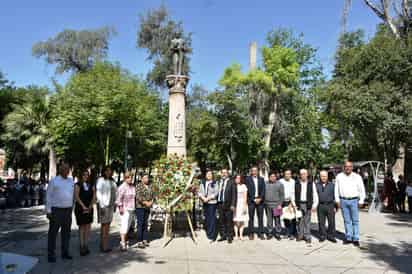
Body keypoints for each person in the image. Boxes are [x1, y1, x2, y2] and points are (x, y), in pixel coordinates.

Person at [46, 163, 75, 263]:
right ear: (60, 170)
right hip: (56, 210)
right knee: (53, 233)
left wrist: (72, 207)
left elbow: (72, 195)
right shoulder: (54, 181)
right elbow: (48, 196)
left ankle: (65, 253)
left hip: (68, 210)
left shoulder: (71, 181)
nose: (67, 171)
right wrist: (48, 211)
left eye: (68, 169)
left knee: (66, 233)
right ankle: (51, 254)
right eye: (65, 169)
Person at [335, 160, 366, 247]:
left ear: (352, 167)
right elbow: (336, 189)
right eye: (346, 166)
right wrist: (337, 200)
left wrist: (361, 200)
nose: (348, 168)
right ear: (344, 167)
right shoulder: (339, 176)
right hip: (343, 200)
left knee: (355, 220)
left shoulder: (357, 177)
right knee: (347, 220)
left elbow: (362, 189)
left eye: (349, 166)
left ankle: (356, 238)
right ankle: (348, 237)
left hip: (354, 200)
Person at [96, 165, 117, 253]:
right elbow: (98, 193)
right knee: (104, 226)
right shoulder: (101, 180)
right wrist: (102, 205)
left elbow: (115, 192)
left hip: (111, 205)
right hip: (104, 206)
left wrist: (115, 203)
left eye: (110, 170)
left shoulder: (112, 180)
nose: (109, 172)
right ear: (104, 171)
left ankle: (103, 244)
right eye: (107, 170)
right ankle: (104, 246)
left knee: (107, 225)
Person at [74, 170, 95, 256]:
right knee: (82, 227)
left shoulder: (91, 185)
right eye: (84, 175)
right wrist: (83, 206)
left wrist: (90, 206)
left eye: (87, 175)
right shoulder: (77, 185)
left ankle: (86, 245)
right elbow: (76, 197)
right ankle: (81, 246)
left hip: (89, 208)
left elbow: (94, 196)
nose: (86, 176)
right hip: (80, 208)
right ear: (81, 176)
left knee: (88, 227)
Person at [295, 169, 318, 244]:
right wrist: (294, 204)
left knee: (307, 221)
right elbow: (293, 193)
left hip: (308, 204)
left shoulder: (311, 183)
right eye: (301, 174)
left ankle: (307, 236)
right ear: (300, 175)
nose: (303, 175)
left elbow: (315, 194)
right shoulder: (297, 183)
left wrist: (314, 205)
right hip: (299, 204)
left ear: (307, 174)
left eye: (304, 174)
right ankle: (300, 235)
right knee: (300, 221)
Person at [116, 172, 136, 251]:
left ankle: (124, 240)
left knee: (128, 225)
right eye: (128, 177)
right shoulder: (122, 187)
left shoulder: (132, 187)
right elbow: (118, 198)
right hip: (125, 208)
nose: (130, 179)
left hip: (131, 208)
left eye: (131, 177)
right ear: (125, 178)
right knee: (124, 225)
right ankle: (123, 243)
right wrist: (120, 207)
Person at [316, 170, 337, 243]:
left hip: (330, 205)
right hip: (320, 205)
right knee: (321, 222)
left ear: (327, 176)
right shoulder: (316, 185)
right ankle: (322, 236)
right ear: (320, 177)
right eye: (322, 176)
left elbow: (335, 196)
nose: (323, 178)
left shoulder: (332, 185)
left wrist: (335, 207)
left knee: (331, 222)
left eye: (325, 176)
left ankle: (331, 236)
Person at [217, 169, 237, 244]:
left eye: (225, 173)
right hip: (220, 204)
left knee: (229, 221)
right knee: (221, 221)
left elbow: (234, 194)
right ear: (221, 174)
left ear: (228, 174)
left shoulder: (231, 182)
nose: (224, 174)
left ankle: (230, 236)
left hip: (229, 205)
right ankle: (223, 235)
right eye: (222, 173)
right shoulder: (219, 182)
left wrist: (233, 205)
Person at [245, 166, 265, 240]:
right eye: (253, 171)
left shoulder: (261, 179)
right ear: (251, 171)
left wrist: (260, 198)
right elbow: (247, 190)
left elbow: (263, 190)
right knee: (251, 218)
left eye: (256, 170)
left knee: (260, 218)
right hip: (251, 201)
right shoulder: (247, 179)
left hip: (260, 201)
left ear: (258, 171)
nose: (254, 172)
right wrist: (253, 199)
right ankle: (251, 233)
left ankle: (261, 233)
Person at [198, 170, 219, 243]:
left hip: (212, 203)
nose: (209, 175)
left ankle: (212, 236)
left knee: (212, 219)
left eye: (210, 174)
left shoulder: (215, 183)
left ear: (212, 175)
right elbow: (199, 192)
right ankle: (209, 232)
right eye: (207, 174)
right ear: (205, 175)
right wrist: (203, 198)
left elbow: (216, 192)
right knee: (207, 218)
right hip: (205, 203)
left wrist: (208, 198)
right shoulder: (202, 183)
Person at [135, 174, 154, 248]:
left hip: (147, 207)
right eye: (145, 177)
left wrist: (151, 202)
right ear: (141, 178)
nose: (147, 179)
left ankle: (145, 239)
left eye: (147, 177)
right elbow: (138, 196)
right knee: (140, 223)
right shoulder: (138, 186)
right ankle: (139, 241)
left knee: (146, 223)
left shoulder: (150, 186)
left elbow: (153, 195)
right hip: (140, 207)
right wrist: (145, 202)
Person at [264, 171, 284, 240]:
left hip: (276, 205)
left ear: (276, 177)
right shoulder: (265, 183)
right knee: (269, 220)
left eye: (274, 176)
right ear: (269, 177)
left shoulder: (280, 184)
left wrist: (280, 204)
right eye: (271, 177)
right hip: (267, 205)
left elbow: (282, 195)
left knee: (277, 220)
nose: (272, 178)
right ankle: (270, 233)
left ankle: (278, 233)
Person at [279, 169, 296, 239]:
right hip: (283, 201)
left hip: (291, 201)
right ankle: (287, 232)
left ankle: (293, 233)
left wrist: (291, 203)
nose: (288, 175)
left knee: (292, 218)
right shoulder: (280, 181)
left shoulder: (293, 181)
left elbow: (294, 193)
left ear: (291, 174)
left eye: (289, 174)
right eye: (286, 174)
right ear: (284, 174)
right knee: (285, 218)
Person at [233, 174, 248, 241]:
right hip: (235, 204)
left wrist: (244, 206)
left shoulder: (244, 186)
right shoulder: (233, 186)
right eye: (236, 178)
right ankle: (236, 235)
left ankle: (241, 235)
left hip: (242, 204)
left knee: (242, 220)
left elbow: (245, 196)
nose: (238, 179)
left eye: (239, 178)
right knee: (235, 220)